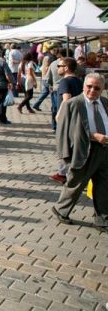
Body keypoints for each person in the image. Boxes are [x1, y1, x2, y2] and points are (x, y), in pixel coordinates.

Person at [51, 73, 108, 231]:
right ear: (83, 86)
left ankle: (102, 219)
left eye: (97, 88)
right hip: (84, 149)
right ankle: (61, 210)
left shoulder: (105, 102)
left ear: (103, 89)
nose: (92, 90)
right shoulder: (73, 104)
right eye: (89, 86)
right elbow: (63, 130)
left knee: (104, 185)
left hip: (105, 151)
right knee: (76, 183)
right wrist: (64, 154)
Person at [50, 57, 82, 184]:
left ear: (66, 68)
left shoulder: (64, 81)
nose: (57, 68)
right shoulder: (78, 81)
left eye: (59, 66)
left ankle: (64, 173)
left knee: (64, 145)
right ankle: (65, 172)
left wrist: (59, 115)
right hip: (76, 116)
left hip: (67, 117)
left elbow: (66, 99)